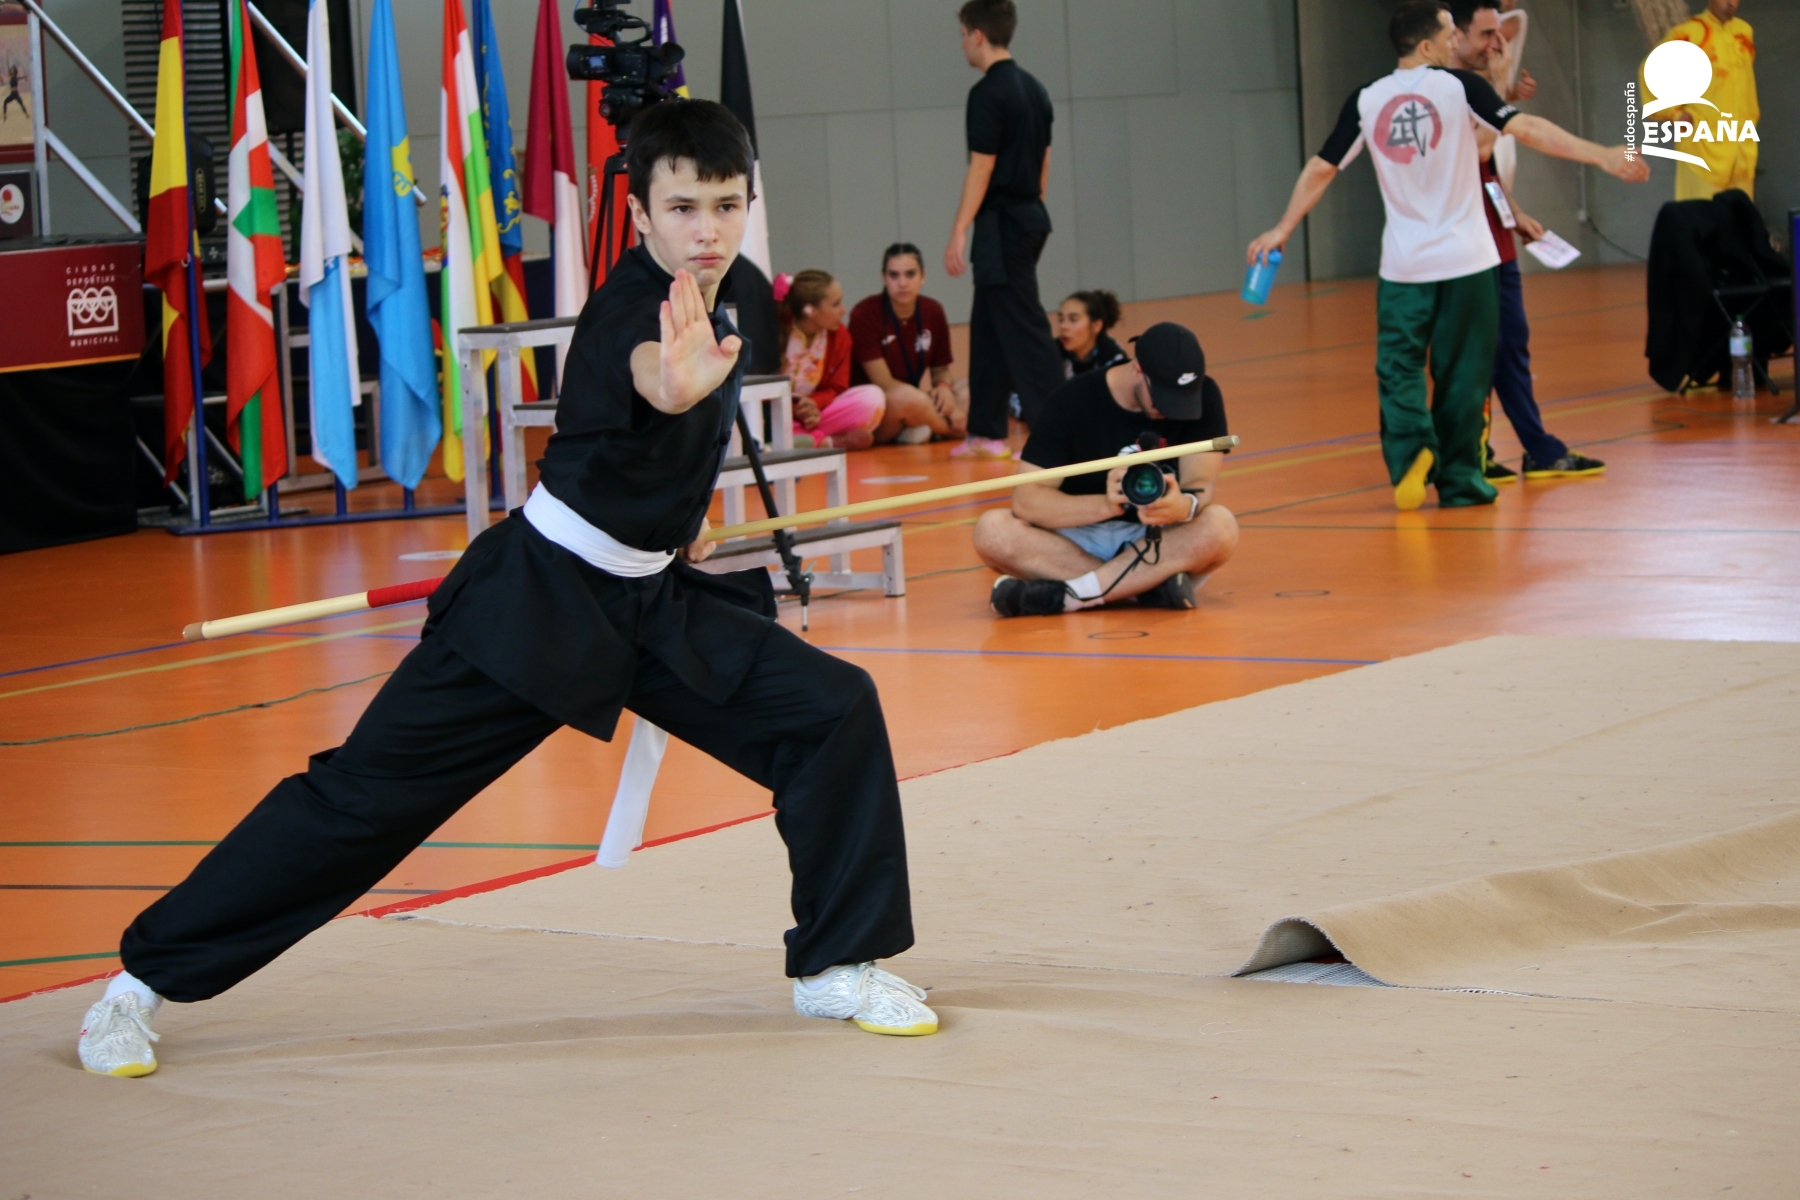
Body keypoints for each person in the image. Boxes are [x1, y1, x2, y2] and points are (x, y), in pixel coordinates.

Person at [76, 101, 936, 1081]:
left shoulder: (730, 291)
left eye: (726, 205)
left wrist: (676, 506)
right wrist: (674, 388)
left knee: (831, 712)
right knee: (361, 804)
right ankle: (136, 985)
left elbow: (660, 446)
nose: (707, 229)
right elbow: (654, 378)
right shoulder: (630, 314)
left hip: (651, 602)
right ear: (641, 214)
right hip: (540, 607)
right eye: (682, 208)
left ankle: (834, 964)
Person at [1247, 0, 1646, 511]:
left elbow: (1322, 168)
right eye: (1447, 33)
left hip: (1404, 266)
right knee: (1464, 374)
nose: (1455, 39)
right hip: (1468, 262)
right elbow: (1524, 129)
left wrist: (1282, 227)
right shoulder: (1460, 88)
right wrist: (1603, 154)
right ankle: (1461, 481)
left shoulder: (1367, 99)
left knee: (1399, 366)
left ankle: (1413, 451)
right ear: (1427, 45)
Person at [974, 322, 1239, 617]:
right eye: (1162, 397)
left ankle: (1068, 596)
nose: (1170, 410)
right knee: (992, 530)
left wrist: (1183, 505)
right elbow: (1027, 501)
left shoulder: (1204, 395)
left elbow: (1200, 484)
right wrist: (1105, 504)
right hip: (1076, 537)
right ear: (1138, 369)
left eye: (1181, 401)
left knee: (1220, 525)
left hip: (1157, 537)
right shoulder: (1072, 399)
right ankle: (1145, 588)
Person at [1449, 0, 1605, 482]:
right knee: (1475, 351)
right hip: (1460, 247)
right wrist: (1501, 90)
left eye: (1500, 35)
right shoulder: (1446, 88)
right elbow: (1478, 147)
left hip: (1495, 234)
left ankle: (1533, 448)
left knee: (1511, 344)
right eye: (1487, 35)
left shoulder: (1480, 84)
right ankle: (1468, 453)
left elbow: (1486, 168)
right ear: (1454, 36)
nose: (1499, 45)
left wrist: (1514, 213)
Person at [943, 0, 1064, 460]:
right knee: (990, 326)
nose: (961, 45)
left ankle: (1058, 433)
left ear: (978, 35)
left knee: (1025, 328)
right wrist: (1032, 205)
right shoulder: (1035, 88)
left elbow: (982, 166)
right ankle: (987, 432)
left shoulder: (987, 93)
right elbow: (1045, 159)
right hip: (1027, 215)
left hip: (1003, 224)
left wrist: (959, 229)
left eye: (962, 35)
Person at [848, 243, 966, 445]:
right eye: (894, 275)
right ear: (884, 278)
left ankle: (915, 427)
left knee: (968, 391)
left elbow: (941, 369)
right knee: (907, 398)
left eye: (910, 274)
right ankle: (958, 431)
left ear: (923, 277)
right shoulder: (864, 314)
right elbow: (884, 383)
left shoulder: (933, 310)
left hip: (914, 398)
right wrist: (943, 407)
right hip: (878, 408)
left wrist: (944, 387)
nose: (902, 283)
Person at [1646, 0, 1757, 201]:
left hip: (1741, 144)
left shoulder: (1743, 32)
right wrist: (1674, 113)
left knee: (1739, 214)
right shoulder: (1689, 33)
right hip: (1702, 144)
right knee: (1701, 212)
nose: (1731, 3)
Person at [775, 268, 886, 451]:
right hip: (776, 414)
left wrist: (814, 404)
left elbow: (837, 387)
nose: (843, 310)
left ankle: (796, 442)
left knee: (872, 398)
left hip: (815, 414)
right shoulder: (776, 329)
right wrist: (796, 410)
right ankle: (825, 443)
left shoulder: (840, 336)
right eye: (836, 304)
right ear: (810, 310)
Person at [1055, 289, 1128, 378]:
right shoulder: (1052, 352)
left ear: (1096, 326)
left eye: (1073, 320)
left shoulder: (1113, 358)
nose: (1063, 326)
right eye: (1061, 319)